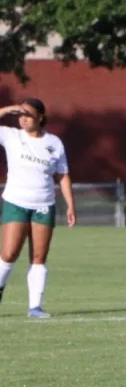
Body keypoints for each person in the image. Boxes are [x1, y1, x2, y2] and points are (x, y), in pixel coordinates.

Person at [0, 99, 76, 318]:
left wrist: (70, 205)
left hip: (43, 204)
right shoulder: (11, 135)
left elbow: (62, 175)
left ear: (41, 117)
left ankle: (35, 307)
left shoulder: (54, 143)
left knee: (38, 256)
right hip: (16, 202)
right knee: (9, 254)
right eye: (20, 115)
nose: (23, 119)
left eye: (28, 115)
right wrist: (6, 109)